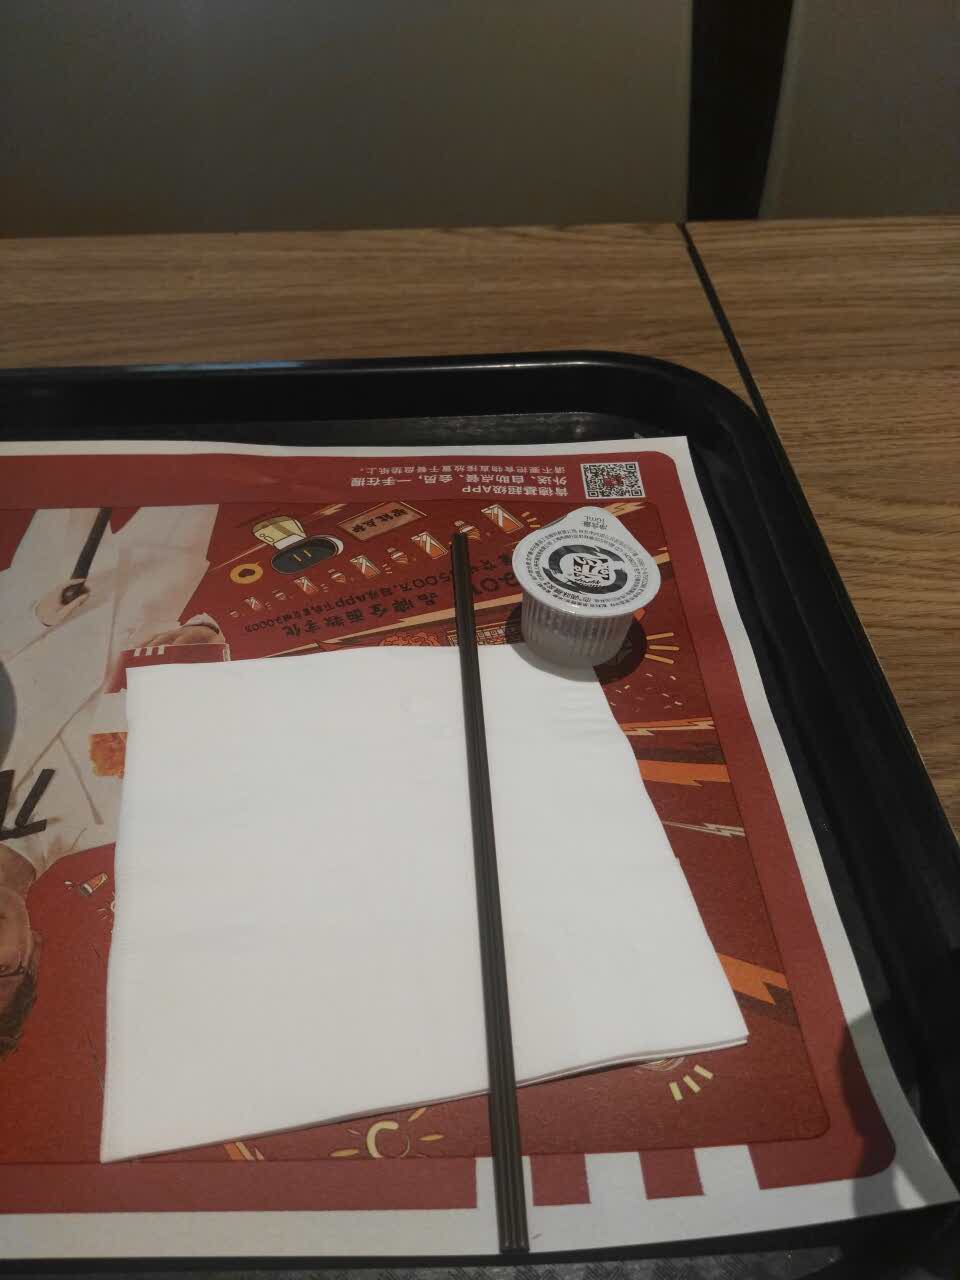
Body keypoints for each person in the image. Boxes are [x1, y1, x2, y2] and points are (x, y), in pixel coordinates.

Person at [0, 504, 223, 1058]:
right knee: (195, 463)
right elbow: (175, 701)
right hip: (161, 567)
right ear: (34, 953)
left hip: (52, 561)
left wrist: (35, 616)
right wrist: (199, 644)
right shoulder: (118, 815)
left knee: (77, 461)